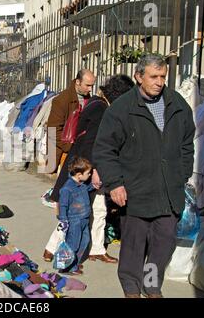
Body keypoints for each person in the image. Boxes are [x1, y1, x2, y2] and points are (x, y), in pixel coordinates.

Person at [93, 54, 196, 298]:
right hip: (135, 191)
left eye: (162, 77)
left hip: (169, 191)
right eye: (153, 77)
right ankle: (131, 289)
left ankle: (151, 286)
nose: (159, 82)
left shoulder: (177, 104)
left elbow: (186, 144)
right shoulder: (122, 109)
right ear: (139, 77)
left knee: (164, 242)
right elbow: (105, 149)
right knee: (134, 245)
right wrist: (115, 184)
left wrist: (182, 173)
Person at [43, 75, 135, 264]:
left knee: (99, 209)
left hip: (90, 168)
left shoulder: (97, 104)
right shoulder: (101, 109)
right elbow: (91, 143)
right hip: (88, 170)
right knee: (75, 212)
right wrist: (93, 171)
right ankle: (53, 248)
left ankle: (96, 249)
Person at [47, 69, 95, 175]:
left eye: (92, 85)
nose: (90, 89)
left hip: (80, 147)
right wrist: (69, 147)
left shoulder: (88, 98)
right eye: (87, 85)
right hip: (64, 148)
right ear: (78, 82)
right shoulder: (61, 100)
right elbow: (52, 130)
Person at [57, 157, 94, 276]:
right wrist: (63, 220)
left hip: (84, 219)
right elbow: (62, 205)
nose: (90, 175)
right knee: (73, 244)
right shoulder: (67, 189)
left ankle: (74, 262)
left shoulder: (81, 184)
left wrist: (95, 185)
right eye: (88, 173)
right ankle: (68, 267)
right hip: (74, 221)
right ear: (79, 174)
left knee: (85, 241)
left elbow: (87, 188)